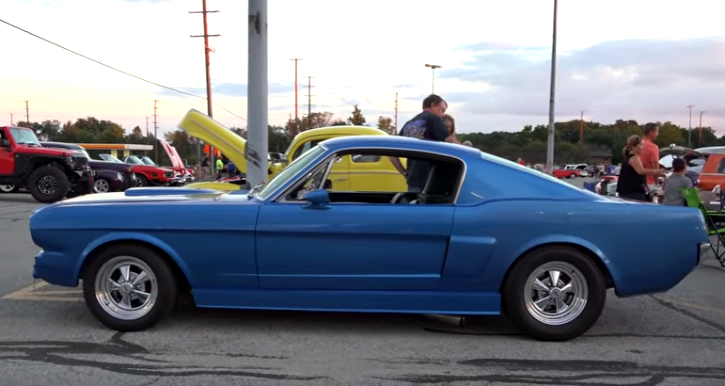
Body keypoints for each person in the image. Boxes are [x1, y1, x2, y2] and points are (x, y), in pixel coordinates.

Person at [390, 94, 460, 193]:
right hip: (433, 181)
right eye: (442, 110)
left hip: (413, 181)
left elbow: (392, 155)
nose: (443, 114)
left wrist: (405, 173)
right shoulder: (433, 118)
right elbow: (450, 142)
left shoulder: (408, 124)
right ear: (433, 105)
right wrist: (468, 150)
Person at [616, 135, 665, 201]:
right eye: (641, 145)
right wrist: (656, 171)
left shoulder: (629, 157)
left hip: (629, 191)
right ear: (634, 146)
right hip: (633, 191)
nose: (643, 147)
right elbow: (641, 171)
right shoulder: (634, 157)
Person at [641, 123, 660, 191]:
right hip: (648, 182)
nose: (657, 134)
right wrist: (656, 181)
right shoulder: (653, 147)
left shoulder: (635, 145)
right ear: (651, 132)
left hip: (634, 182)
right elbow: (655, 166)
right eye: (657, 131)